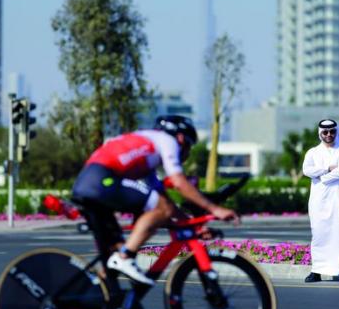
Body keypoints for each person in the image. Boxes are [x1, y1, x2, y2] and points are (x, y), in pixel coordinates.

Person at [71, 115, 238, 286]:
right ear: (180, 138)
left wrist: (193, 226)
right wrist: (215, 209)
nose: (187, 153)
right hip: (99, 181)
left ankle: (101, 300)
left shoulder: (146, 153)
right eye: (188, 146)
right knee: (127, 249)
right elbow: (178, 183)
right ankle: (125, 256)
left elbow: (165, 203)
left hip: (92, 183)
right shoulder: (167, 141)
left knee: (111, 265)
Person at [302, 119, 339, 283]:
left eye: (332, 132)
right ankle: (317, 271)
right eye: (325, 132)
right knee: (320, 235)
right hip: (318, 202)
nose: (329, 135)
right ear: (320, 133)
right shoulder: (312, 152)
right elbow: (306, 170)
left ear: (336, 132)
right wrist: (327, 169)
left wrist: (320, 177)